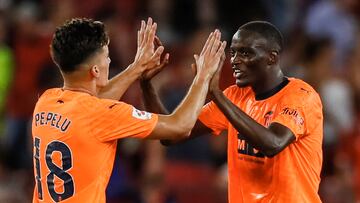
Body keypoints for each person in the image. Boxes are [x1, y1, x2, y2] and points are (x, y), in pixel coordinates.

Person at [31, 17, 226, 203]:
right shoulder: (104, 113)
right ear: (96, 70)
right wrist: (203, 76)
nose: (109, 62)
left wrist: (137, 66)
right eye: (106, 57)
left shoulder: (47, 101)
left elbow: (90, 105)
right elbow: (180, 126)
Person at [141, 21, 323, 202]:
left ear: (272, 57)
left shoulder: (301, 96)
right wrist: (147, 85)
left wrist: (216, 95)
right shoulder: (234, 96)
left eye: (246, 53)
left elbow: (273, 143)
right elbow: (171, 135)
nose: (235, 60)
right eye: (233, 52)